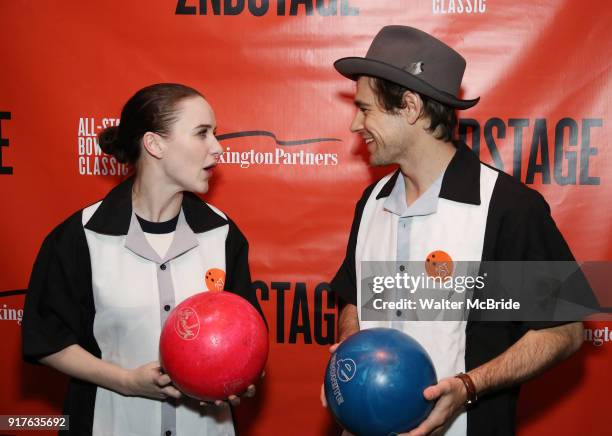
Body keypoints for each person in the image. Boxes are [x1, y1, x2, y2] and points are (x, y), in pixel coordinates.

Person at [323, 26, 585, 436]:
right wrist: (349, 357)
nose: (356, 123)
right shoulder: (371, 201)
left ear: (409, 107)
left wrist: (467, 387)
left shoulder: (508, 207)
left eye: (365, 108)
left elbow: (566, 329)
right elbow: (355, 301)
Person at [22, 83, 262, 436]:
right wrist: (124, 381)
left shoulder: (223, 235)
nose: (218, 148)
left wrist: (239, 376)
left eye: (215, 134)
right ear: (155, 144)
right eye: (202, 133)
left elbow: (247, 336)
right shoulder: (81, 236)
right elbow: (46, 340)